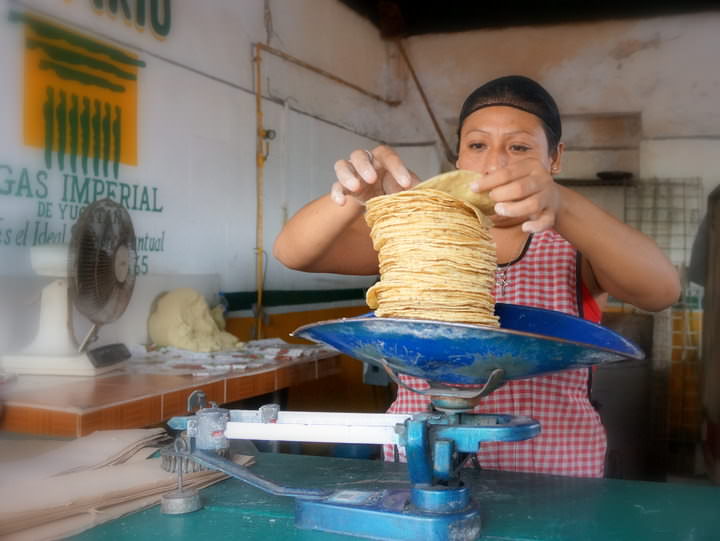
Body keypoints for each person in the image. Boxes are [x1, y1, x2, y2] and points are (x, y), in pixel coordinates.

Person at [273, 75, 680, 478]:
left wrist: (563, 204)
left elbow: (662, 291)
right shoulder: (423, 234)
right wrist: (354, 196)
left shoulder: (577, 242)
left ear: (554, 158)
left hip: (553, 469)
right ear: (459, 159)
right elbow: (293, 252)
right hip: (424, 463)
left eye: (519, 147)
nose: (494, 163)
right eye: (477, 145)